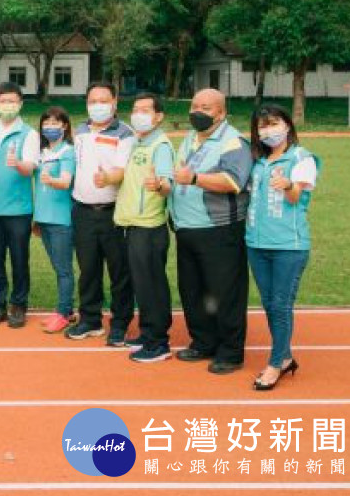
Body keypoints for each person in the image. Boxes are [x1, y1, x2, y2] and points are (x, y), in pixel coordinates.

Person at [171, 88, 253, 375]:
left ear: (221, 113)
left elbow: (233, 181)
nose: (198, 111)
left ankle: (230, 351)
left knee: (225, 291)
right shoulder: (190, 139)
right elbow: (179, 175)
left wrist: (194, 178)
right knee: (193, 290)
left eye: (206, 107)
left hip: (219, 230)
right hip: (186, 228)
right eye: (194, 105)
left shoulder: (233, 142)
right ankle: (203, 341)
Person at [245, 104, 319, 390]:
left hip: (289, 245)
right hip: (256, 243)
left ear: (287, 125)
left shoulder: (301, 158)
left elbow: (295, 197)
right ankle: (285, 357)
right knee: (270, 304)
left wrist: (288, 185)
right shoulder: (258, 161)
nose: (268, 130)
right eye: (262, 126)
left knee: (280, 304)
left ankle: (275, 364)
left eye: (273, 123)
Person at [65, 81, 135, 346]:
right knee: (88, 269)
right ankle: (90, 319)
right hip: (82, 210)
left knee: (119, 271)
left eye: (103, 100)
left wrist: (108, 177)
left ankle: (119, 323)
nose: (98, 106)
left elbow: (122, 171)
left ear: (115, 102)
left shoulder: (125, 134)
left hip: (113, 212)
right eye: (93, 101)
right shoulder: (80, 130)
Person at [113, 93, 176, 363]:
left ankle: (158, 342)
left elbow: (167, 182)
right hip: (132, 224)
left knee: (151, 285)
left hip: (149, 226)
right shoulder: (138, 143)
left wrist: (159, 186)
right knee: (141, 283)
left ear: (158, 116)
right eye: (135, 109)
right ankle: (148, 332)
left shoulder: (160, 145)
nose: (138, 114)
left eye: (146, 110)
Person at [0, 82, 39, 328]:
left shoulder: (30, 134)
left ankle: (19, 304)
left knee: (19, 259)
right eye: (3, 101)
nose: (8, 105)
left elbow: (30, 168)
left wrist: (18, 163)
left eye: (12, 101)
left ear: (20, 104)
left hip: (18, 210)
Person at [32, 107, 76, 335]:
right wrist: (37, 219)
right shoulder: (42, 153)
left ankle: (63, 312)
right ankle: (66, 310)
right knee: (57, 267)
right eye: (46, 122)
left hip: (61, 219)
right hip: (44, 219)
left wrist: (52, 180)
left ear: (65, 126)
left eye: (55, 122)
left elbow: (66, 182)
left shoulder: (68, 152)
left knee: (63, 269)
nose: (49, 126)